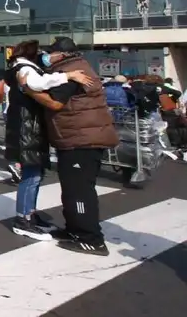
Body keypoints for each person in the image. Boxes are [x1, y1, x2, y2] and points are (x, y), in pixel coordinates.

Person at [2, 40, 93, 239]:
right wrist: (68, 75)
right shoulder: (24, 68)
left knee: (36, 174)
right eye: (43, 52)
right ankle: (23, 220)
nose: (46, 55)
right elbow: (36, 84)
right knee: (31, 175)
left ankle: (30, 215)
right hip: (27, 129)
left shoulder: (24, 67)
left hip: (30, 128)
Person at [39, 37, 119, 256]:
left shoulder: (73, 71)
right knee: (72, 189)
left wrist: (30, 89)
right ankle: (74, 230)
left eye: (51, 52)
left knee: (79, 191)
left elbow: (55, 102)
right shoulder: (72, 68)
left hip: (82, 140)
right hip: (77, 137)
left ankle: (91, 239)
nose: (47, 56)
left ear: (62, 55)